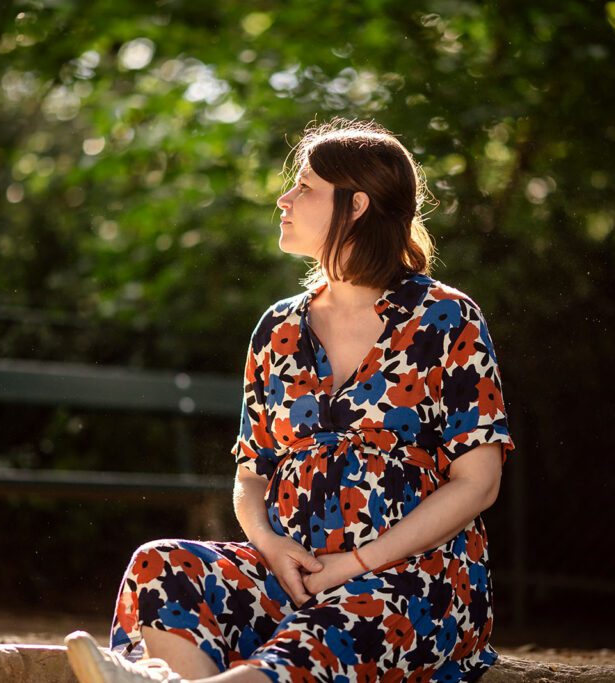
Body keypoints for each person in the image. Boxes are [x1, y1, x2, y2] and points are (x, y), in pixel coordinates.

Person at [65, 117, 516, 683]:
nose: (284, 198)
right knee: (161, 564)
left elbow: (479, 483)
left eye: (305, 187)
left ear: (356, 206)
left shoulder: (446, 318)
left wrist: (353, 565)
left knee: (324, 635)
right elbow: (251, 475)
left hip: (413, 581)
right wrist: (269, 546)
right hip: (291, 577)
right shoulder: (277, 329)